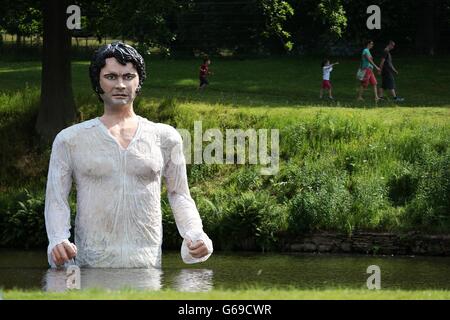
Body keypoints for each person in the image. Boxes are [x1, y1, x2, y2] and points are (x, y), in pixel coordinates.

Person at [44, 42, 213, 268]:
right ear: (98, 82)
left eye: (128, 76)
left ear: (139, 81)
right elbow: (56, 199)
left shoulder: (165, 137)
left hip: (146, 265)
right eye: (111, 77)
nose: (121, 84)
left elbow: (179, 194)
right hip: (91, 266)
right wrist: (58, 238)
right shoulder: (70, 140)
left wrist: (195, 233)